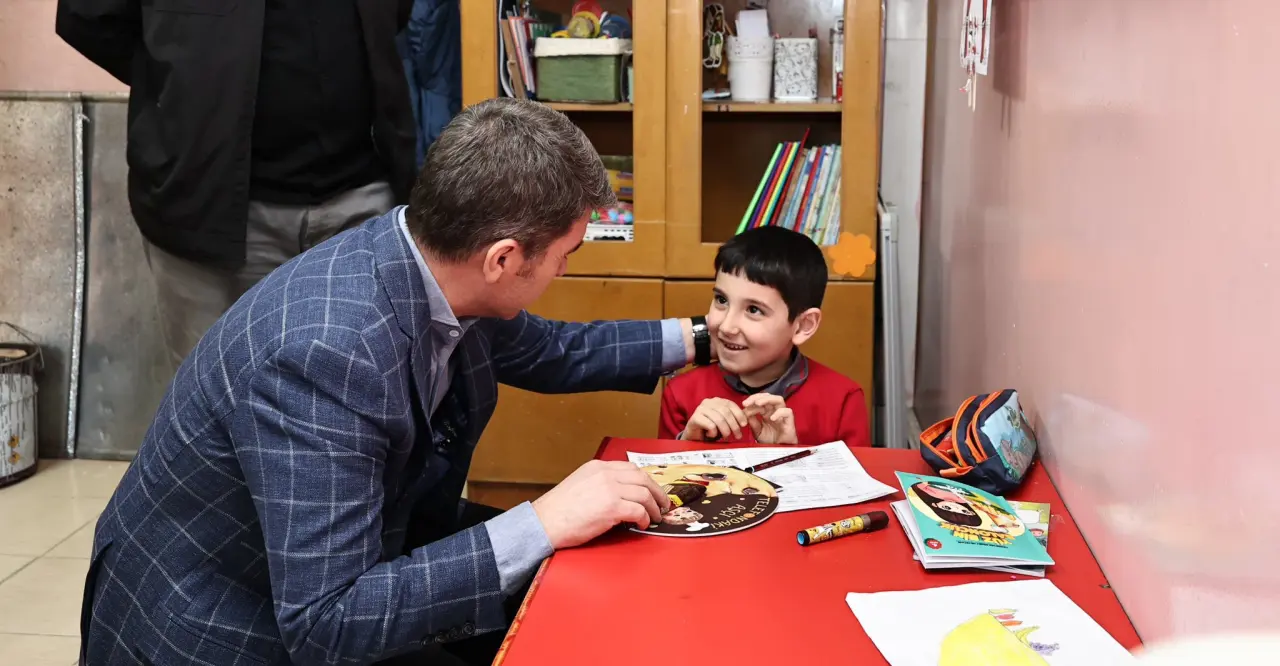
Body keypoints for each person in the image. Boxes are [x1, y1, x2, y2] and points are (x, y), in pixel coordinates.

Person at [78, 98, 716, 666]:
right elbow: (327, 622)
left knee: (584, 601)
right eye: (564, 254)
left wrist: (709, 336)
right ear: (503, 259)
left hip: (362, 553)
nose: (567, 270)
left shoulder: (435, 258)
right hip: (222, 625)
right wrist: (543, 520)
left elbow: (552, 351)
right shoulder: (326, 354)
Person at [55, 0, 419, 368]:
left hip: (363, 209)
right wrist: (180, 85)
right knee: (215, 410)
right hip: (209, 215)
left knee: (361, 407)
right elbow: (89, 18)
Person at [657, 226, 871, 446]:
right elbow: (661, 477)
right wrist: (686, 444)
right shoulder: (681, 393)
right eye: (721, 300)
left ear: (802, 326)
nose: (727, 326)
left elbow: (852, 480)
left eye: (753, 310)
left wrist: (788, 456)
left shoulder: (843, 400)